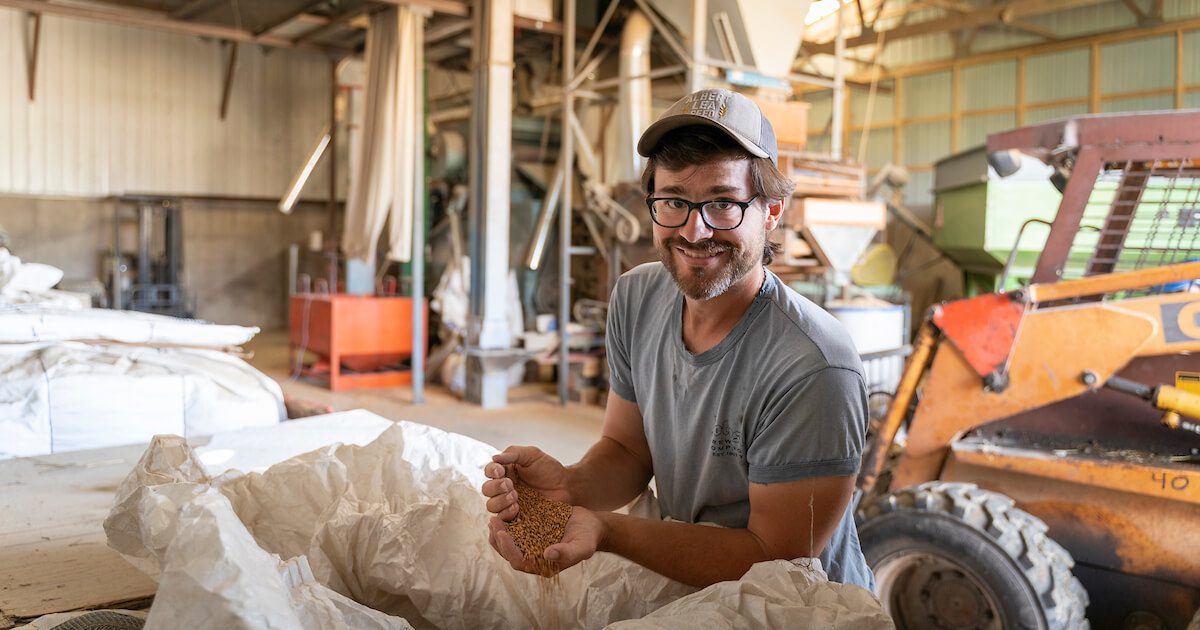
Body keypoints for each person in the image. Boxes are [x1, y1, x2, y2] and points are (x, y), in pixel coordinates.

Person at [481, 88, 874, 591]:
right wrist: (570, 486)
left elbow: (774, 558)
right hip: (692, 584)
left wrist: (606, 529)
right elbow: (628, 449)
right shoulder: (637, 296)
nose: (694, 230)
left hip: (797, 609)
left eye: (723, 204)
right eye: (673, 202)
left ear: (772, 211)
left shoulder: (814, 366)